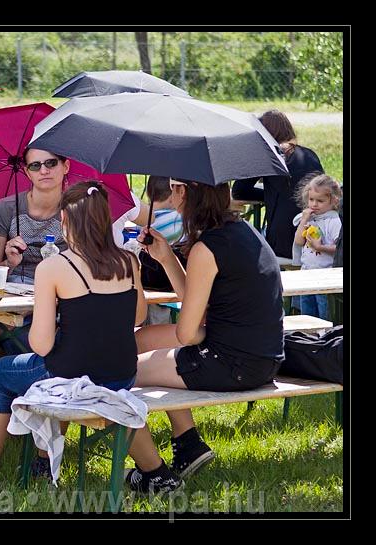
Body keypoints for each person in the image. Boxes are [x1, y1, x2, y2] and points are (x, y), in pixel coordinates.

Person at [0, 181, 150, 495]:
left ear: (64, 221)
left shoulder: (54, 266)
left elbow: (42, 345)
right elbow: (139, 317)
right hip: (121, 375)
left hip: (71, 374)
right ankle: (39, 463)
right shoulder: (128, 261)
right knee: (31, 366)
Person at [129, 178, 285, 493]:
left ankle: (155, 474)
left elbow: (188, 333)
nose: (169, 194)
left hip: (232, 363)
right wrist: (166, 258)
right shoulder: (243, 232)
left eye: (173, 186)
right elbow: (197, 312)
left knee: (115, 373)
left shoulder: (207, 247)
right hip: (263, 357)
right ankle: (188, 444)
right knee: (141, 341)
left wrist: (188, 333)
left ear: (185, 192)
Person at [0, 147, 70, 353]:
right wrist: (9, 263)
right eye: (35, 165)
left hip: (62, 296)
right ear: (27, 171)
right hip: (13, 301)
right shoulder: (5, 209)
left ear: (65, 166)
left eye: (51, 163)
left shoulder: (76, 210)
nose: (44, 171)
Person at [232, 109, 324, 259]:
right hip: (315, 239)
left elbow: (239, 191)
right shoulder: (310, 154)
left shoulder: (269, 156)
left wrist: (269, 195)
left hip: (282, 244)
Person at [292, 174, 342, 320]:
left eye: (320, 201)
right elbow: (299, 241)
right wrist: (304, 220)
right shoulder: (309, 219)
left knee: (323, 314)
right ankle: (309, 340)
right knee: (307, 314)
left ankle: (323, 339)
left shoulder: (334, 221)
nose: (314, 204)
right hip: (306, 273)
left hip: (324, 276)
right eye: (311, 199)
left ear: (333, 201)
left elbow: (339, 248)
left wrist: (320, 247)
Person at [139, 175, 185, 325]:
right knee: (160, 320)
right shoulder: (175, 218)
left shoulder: (144, 221)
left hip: (145, 279)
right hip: (165, 280)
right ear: (173, 196)